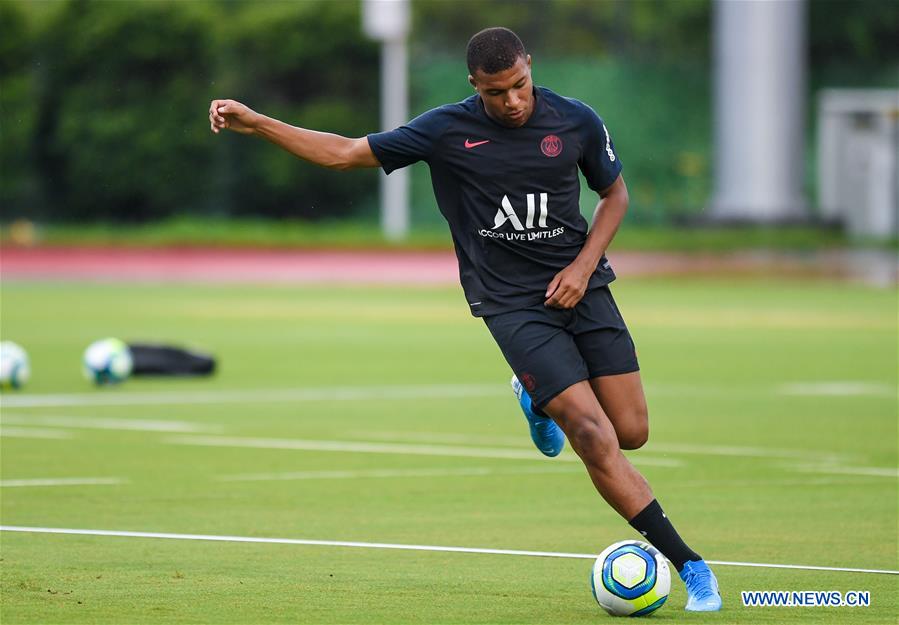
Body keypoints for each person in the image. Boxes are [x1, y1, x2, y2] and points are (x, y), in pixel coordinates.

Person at [209, 26, 722, 612]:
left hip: (585, 288)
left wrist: (583, 268)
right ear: (474, 85)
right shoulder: (445, 130)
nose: (512, 101)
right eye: (496, 92)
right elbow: (344, 152)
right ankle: (692, 567)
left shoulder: (576, 120)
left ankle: (533, 399)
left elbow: (616, 196)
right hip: (510, 303)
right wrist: (259, 123)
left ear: (531, 65)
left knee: (631, 431)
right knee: (592, 435)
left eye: (520, 85)